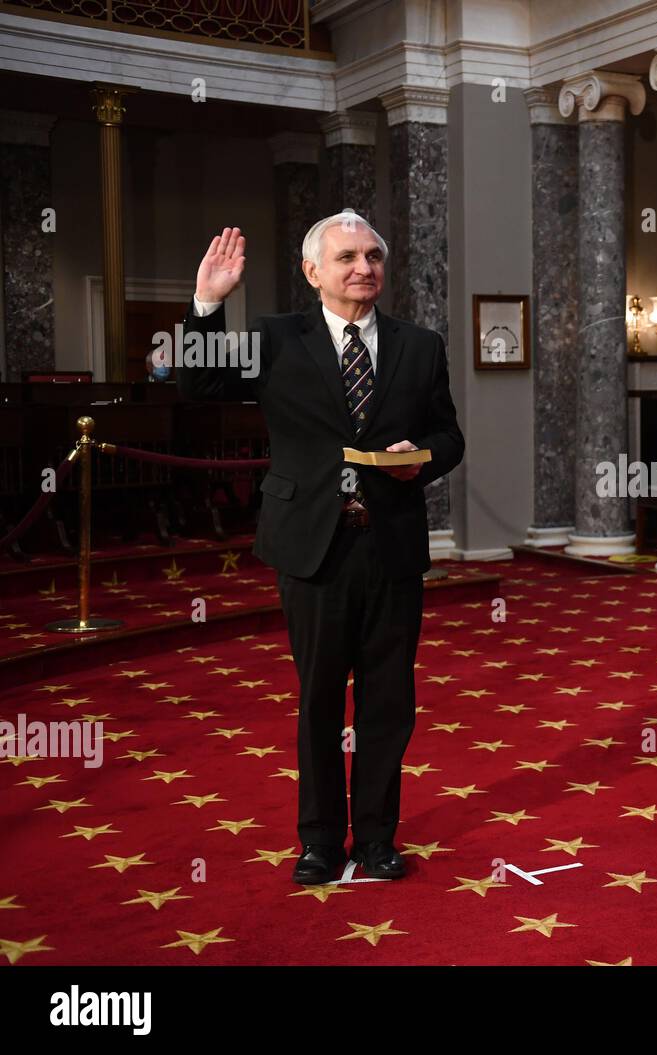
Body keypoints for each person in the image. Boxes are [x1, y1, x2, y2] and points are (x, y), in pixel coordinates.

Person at [178, 215, 464, 884]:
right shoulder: (278, 338)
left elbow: (449, 436)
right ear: (314, 272)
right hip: (311, 546)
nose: (362, 267)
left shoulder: (419, 346)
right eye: (345, 257)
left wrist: (417, 459)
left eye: (371, 255)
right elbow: (199, 387)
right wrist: (208, 305)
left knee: (389, 702)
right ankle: (317, 841)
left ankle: (375, 839)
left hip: (391, 546)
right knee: (320, 701)